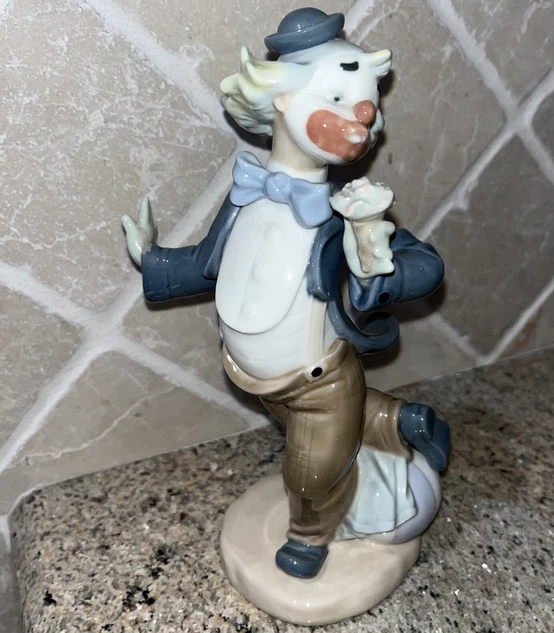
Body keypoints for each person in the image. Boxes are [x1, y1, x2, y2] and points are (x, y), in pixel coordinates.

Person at [122, 8, 450, 579]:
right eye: (338, 99)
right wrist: (151, 257)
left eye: (366, 105)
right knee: (312, 426)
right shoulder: (246, 195)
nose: (363, 121)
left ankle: (308, 538)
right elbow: (206, 265)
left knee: (311, 471)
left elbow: (424, 266)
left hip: (321, 383)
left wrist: (375, 261)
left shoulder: (351, 212)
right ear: (282, 101)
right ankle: (401, 422)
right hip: (255, 380)